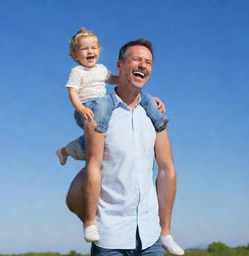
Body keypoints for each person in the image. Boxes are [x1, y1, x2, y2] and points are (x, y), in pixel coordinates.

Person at [66, 39, 184, 255]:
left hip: (151, 239)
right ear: (120, 66)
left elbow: (167, 171)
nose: (143, 65)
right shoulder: (100, 113)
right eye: (137, 59)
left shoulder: (154, 114)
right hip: (110, 239)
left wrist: (164, 230)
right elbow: (92, 168)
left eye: (148, 62)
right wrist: (92, 221)